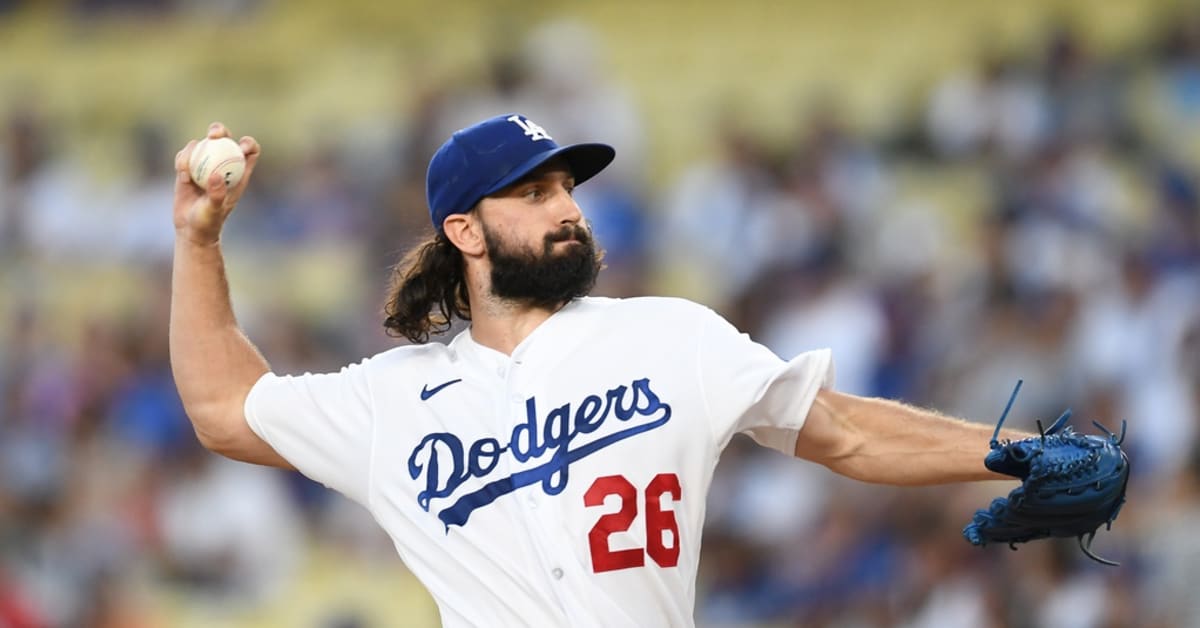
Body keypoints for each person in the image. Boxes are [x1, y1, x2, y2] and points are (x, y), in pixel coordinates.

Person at [170, 114, 1027, 627]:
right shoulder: (392, 399)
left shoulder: (670, 336)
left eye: (567, 189)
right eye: (535, 193)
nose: (570, 209)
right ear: (466, 232)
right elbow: (222, 407)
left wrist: (1016, 451)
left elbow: (841, 431)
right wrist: (199, 241)